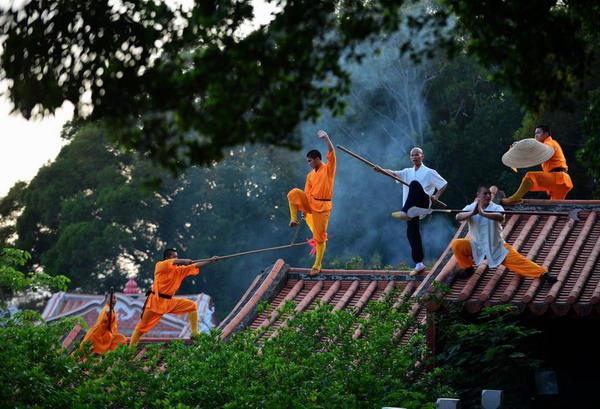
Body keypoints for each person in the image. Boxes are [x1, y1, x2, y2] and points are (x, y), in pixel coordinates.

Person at [452, 185, 557, 284]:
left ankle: (543, 274)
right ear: (478, 195)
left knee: (521, 262)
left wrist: (483, 214)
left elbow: (500, 217)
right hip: (477, 246)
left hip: (497, 247)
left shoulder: (496, 208)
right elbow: (458, 217)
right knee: (457, 244)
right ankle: (467, 268)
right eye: (485, 194)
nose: (488, 196)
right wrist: (472, 213)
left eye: (489, 193)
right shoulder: (471, 207)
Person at [374, 147, 447, 276]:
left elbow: (443, 184)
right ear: (410, 157)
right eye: (412, 155)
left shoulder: (429, 172)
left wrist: (437, 196)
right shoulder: (407, 172)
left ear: (422, 156)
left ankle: (404, 212)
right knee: (412, 233)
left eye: (417, 155)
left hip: (423, 204)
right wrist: (381, 170)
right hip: (412, 210)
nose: (414, 157)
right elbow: (393, 173)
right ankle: (419, 264)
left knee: (413, 184)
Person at [129, 249, 219, 347]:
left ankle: (194, 332)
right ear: (167, 258)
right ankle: (130, 350)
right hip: (155, 301)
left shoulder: (179, 271)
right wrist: (184, 260)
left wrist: (211, 260)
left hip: (169, 302)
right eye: (174, 256)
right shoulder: (160, 265)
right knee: (141, 328)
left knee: (191, 305)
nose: (176, 258)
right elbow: (174, 262)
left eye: (177, 256)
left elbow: (195, 265)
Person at [287, 130, 336, 277]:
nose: (309, 164)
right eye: (308, 161)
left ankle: (317, 264)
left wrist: (326, 138)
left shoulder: (328, 169)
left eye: (310, 161)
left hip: (323, 206)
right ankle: (293, 219)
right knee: (294, 193)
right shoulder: (310, 175)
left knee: (320, 237)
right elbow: (306, 193)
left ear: (317, 159)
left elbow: (331, 152)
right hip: (311, 202)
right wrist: (304, 208)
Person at [501, 124, 573, 205]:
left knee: (530, 176)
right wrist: (521, 143)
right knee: (555, 207)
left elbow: (537, 144)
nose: (536, 135)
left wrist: (522, 145)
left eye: (538, 133)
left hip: (558, 177)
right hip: (562, 181)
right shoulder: (549, 143)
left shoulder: (549, 143)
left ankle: (515, 198)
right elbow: (535, 142)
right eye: (535, 133)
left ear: (546, 134)